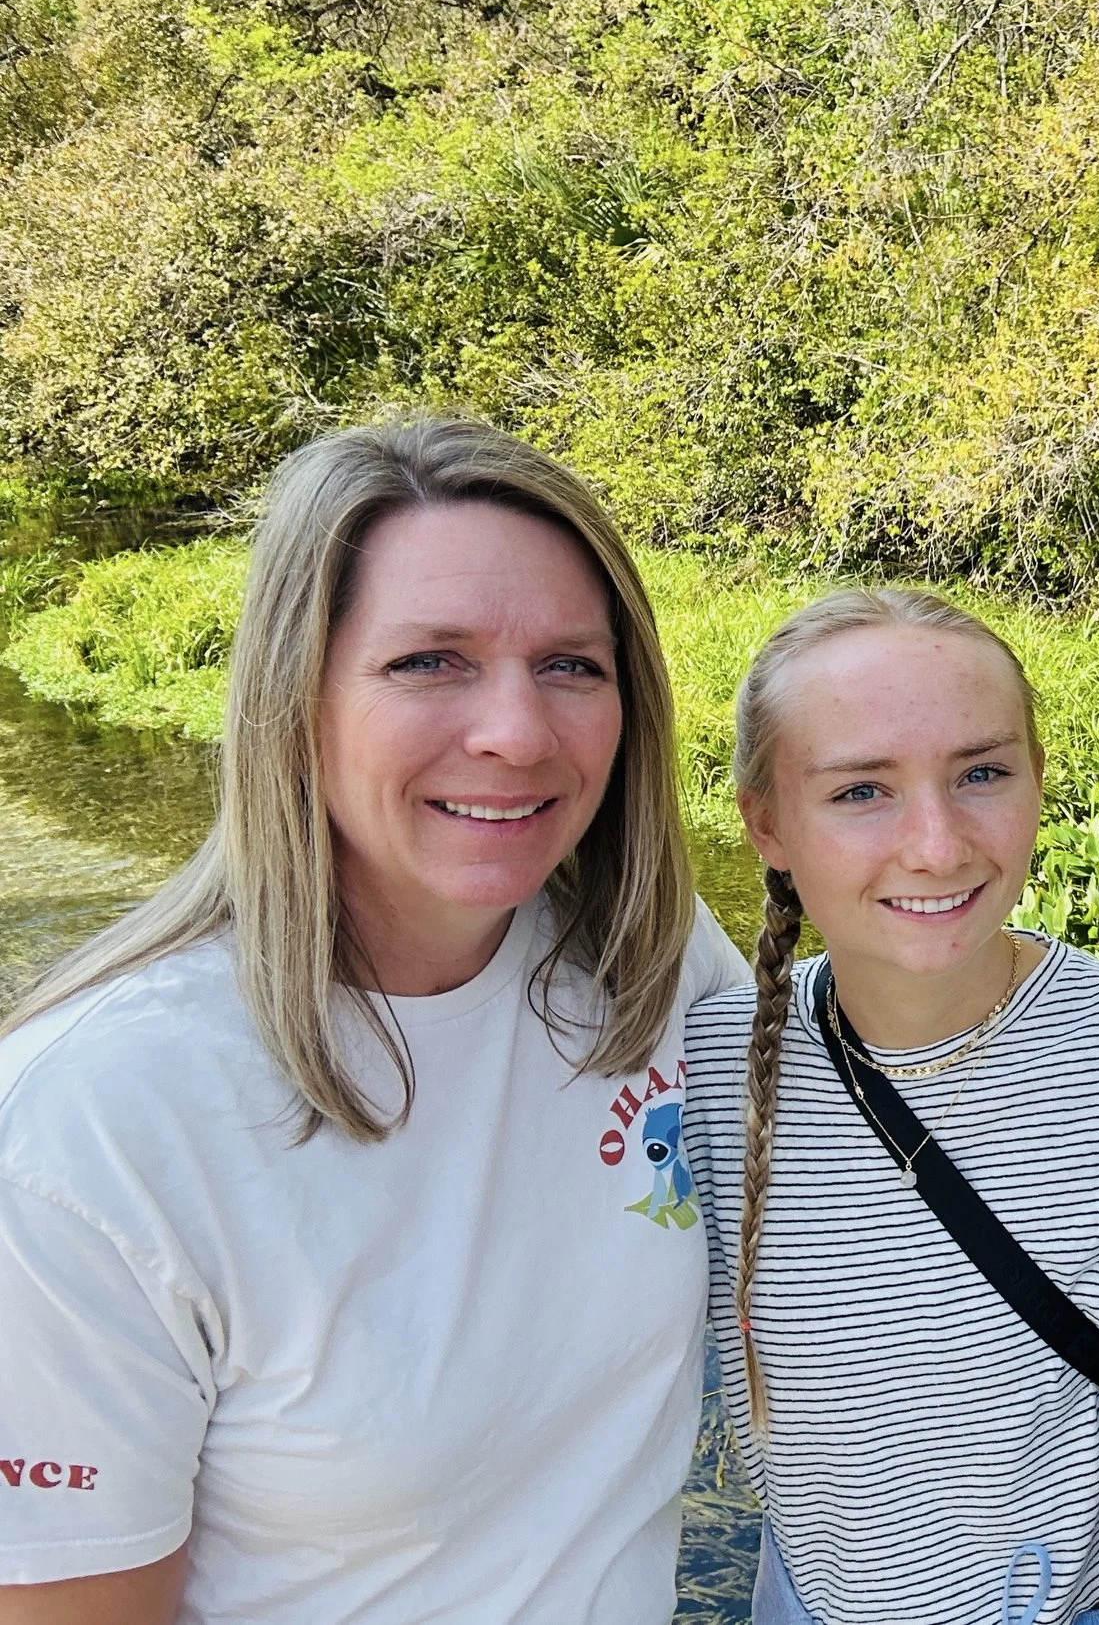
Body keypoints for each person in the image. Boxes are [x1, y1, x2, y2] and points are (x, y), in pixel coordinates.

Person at [0, 418, 751, 1625]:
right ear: (294, 697)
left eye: (572, 664)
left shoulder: (652, 969)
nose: (515, 730)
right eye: (427, 662)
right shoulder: (83, 1138)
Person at [680, 587, 1099, 1625]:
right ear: (766, 823)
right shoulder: (704, 1070)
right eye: (862, 791)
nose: (938, 844)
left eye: (982, 774)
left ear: (1039, 779)